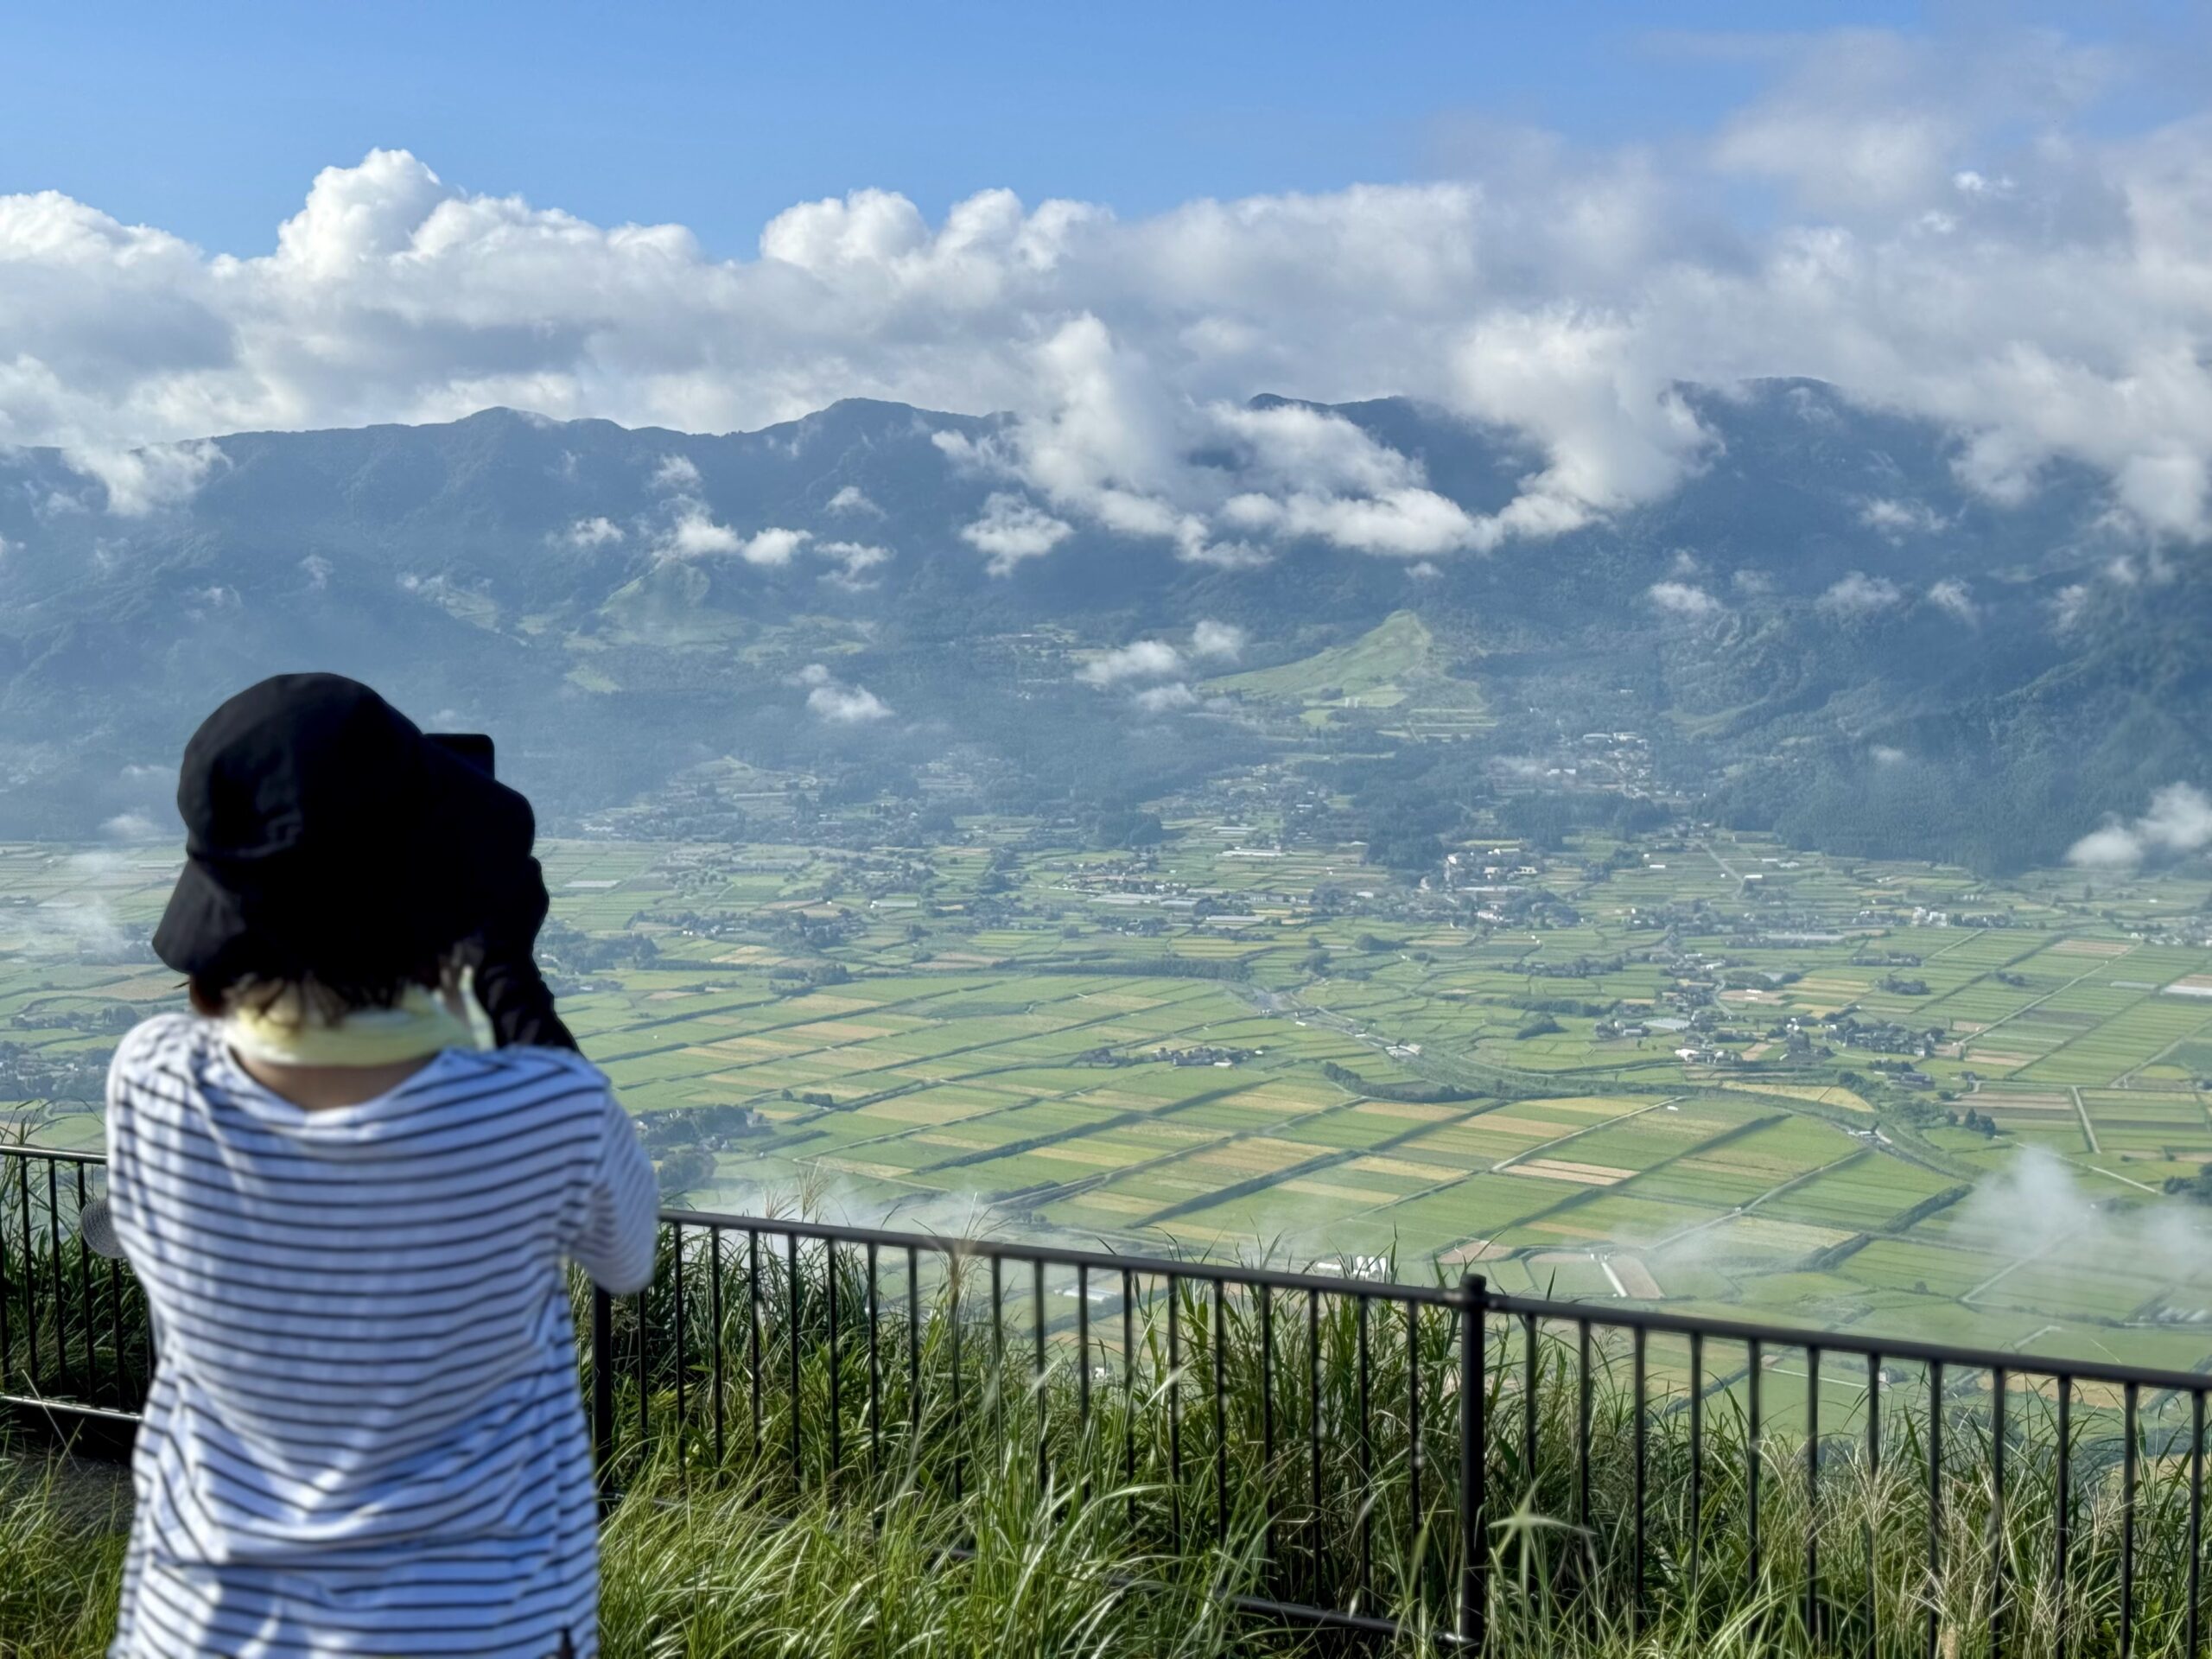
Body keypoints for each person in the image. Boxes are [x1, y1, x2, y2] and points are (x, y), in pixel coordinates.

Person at [101, 674, 658, 1659]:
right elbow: (628, 1254)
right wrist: (511, 987)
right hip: (472, 1630)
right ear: (428, 892)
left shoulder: (150, 1078)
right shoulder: (536, 1112)